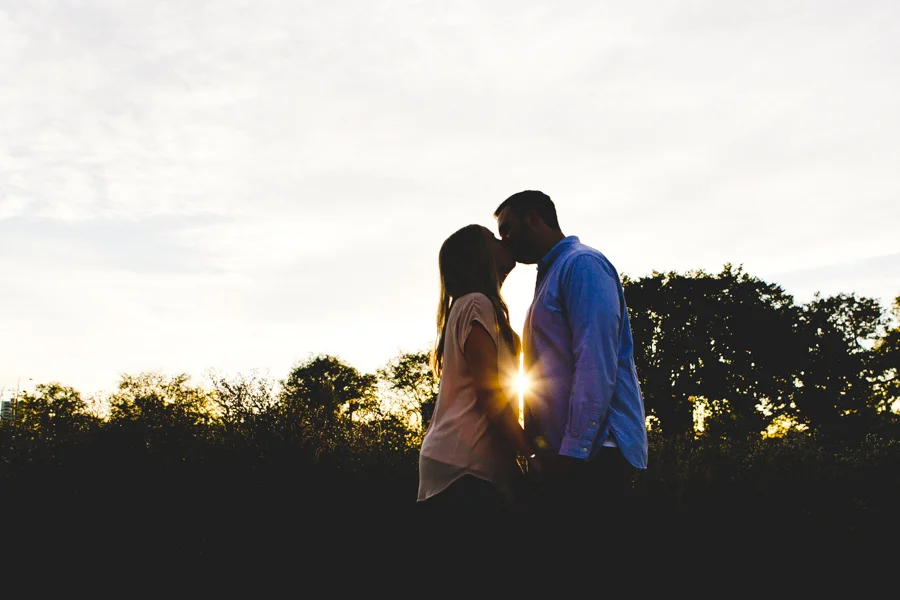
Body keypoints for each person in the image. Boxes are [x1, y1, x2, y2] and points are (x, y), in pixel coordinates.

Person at [493, 190, 648, 536]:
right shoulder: (550, 276)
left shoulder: (582, 265)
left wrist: (573, 452)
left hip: (594, 455)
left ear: (534, 218)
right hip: (566, 455)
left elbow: (595, 361)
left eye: (507, 230)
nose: (505, 241)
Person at [417, 223, 541, 532]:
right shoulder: (476, 303)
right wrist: (532, 453)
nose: (504, 242)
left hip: (458, 460)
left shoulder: (465, 306)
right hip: (464, 463)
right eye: (493, 240)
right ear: (480, 255)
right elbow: (490, 393)